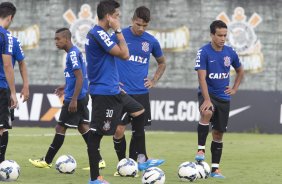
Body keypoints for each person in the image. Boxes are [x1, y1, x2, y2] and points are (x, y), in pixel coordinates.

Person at [85, 1, 161, 183]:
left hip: (113, 89)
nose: (119, 19)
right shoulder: (99, 33)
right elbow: (125, 54)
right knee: (97, 134)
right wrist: (118, 31)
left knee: (139, 111)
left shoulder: (101, 34)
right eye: (117, 16)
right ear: (109, 17)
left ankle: (140, 158)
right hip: (104, 92)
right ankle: (95, 178)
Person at [28, 28, 99, 169]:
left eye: (58, 39)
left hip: (75, 98)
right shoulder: (75, 52)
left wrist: (73, 99)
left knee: (60, 127)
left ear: (66, 39)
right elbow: (78, 77)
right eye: (55, 39)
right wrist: (65, 86)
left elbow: (79, 77)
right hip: (82, 95)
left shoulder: (72, 54)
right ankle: (98, 160)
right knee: (83, 127)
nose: (56, 42)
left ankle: (47, 161)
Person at [111, 6, 166, 176]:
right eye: (138, 24)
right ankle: (123, 164)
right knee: (118, 130)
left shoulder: (151, 41)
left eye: (145, 26)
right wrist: (112, 79)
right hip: (122, 92)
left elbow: (162, 63)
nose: (141, 28)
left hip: (141, 92)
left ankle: (137, 163)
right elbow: (105, 57)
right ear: (132, 20)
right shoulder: (119, 36)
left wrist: (153, 80)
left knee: (138, 130)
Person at [194, 20, 244, 178]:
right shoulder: (203, 52)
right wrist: (207, 100)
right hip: (207, 93)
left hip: (223, 98)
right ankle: (200, 149)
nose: (223, 38)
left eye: (225, 35)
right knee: (207, 112)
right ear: (212, 35)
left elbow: (240, 71)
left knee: (218, 134)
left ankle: (215, 169)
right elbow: (202, 79)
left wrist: (234, 88)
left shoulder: (230, 52)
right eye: (220, 35)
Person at [0, 36, 30, 163]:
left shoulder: (12, 40)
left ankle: (1, 162)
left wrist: (26, 85)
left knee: (2, 126)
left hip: (3, 87)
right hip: (4, 89)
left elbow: (21, 62)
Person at [0, 1, 18, 162]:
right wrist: (13, 92)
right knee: (1, 128)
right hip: (1, 87)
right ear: (10, 17)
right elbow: (7, 65)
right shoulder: (5, 36)